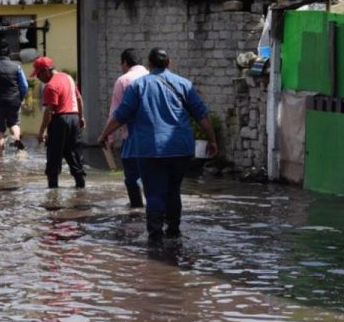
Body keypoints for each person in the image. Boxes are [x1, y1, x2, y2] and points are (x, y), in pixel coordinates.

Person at [97, 48, 217, 241]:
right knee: (173, 190)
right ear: (168, 63)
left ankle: (155, 238)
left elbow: (120, 116)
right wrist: (212, 140)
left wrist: (104, 135)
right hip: (180, 148)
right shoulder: (184, 84)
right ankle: (174, 233)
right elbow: (201, 114)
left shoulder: (138, 86)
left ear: (150, 65)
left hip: (150, 149)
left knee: (154, 192)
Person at [33, 56, 86, 188]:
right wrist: (81, 117)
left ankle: (53, 195)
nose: (38, 78)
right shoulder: (68, 78)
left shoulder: (50, 86)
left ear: (46, 71)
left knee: (54, 159)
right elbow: (79, 98)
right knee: (74, 155)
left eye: (38, 74)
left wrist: (42, 132)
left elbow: (49, 111)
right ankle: (81, 188)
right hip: (74, 118)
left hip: (60, 121)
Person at [106, 48, 148, 207]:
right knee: (152, 176)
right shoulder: (153, 77)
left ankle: (136, 210)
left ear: (125, 63)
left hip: (132, 136)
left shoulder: (124, 80)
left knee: (132, 178)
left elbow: (115, 113)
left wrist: (109, 137)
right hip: (155, 138)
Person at [0, 42, 29, 156]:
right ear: (10, 55)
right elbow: (24, 86)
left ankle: (0, 160)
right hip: (13, 101)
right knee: (14, 124)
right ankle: (17, 139)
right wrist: (20, 98)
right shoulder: (16, 67)